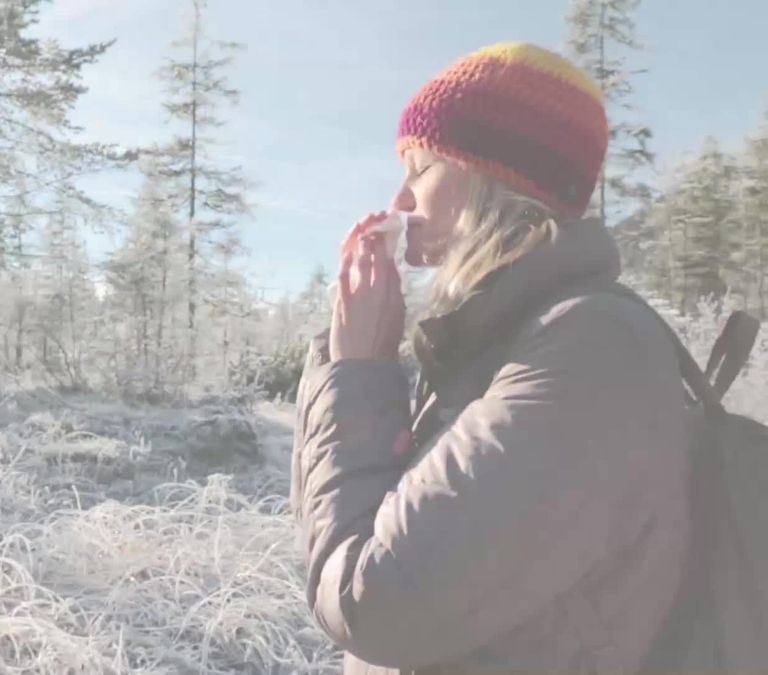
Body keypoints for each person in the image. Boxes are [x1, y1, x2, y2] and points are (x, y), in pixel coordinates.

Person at [290, 41, 690, 674]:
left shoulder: (590, 349)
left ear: (494, 174)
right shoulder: (492, 346)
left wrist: (359, 375)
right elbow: (351, 533)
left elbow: (374, 607)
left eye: (418, 167)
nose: (398, 201)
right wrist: (350, 356)